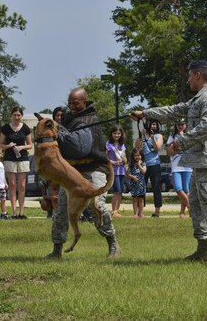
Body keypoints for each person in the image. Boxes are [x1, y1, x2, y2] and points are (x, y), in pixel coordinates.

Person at [130, 60, 207, 266]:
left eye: (189, 76)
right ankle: (203, 249)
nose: (187, 80)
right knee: (195, 205)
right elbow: (174, 111)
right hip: (198, 160)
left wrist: (181, 142)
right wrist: (146, 113)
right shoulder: (198, 99)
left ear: (197, 75)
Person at [45, 87, 120, 259]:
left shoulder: (90, 119)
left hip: (94, 168)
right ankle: (56, 250)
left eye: (76, 103)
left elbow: (80, 148)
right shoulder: (66, 120)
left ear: (84, 102)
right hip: (73, 173)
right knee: (62, 209)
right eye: (70, 103)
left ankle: (112, 243)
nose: (72, 106)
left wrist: (63, 134)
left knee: (97, 207)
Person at [0, 106, 32, 219]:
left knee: (22, 186)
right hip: (9, 158)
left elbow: (30, 145)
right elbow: (0, 145)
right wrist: (8, 146)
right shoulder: (5, 128)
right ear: (11, 116)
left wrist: (22, 147)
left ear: (21, 116)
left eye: (19, 115)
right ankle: (13, 212)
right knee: (12, 185)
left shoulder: (25, 128)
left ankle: (21, 212)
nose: (17, 117)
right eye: (15, 115)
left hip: (22, 158)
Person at [135, 119, 163, 217]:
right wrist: (140, 135)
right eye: (150, 124)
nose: (152, 126)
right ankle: (140, 211)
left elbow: (157, 148)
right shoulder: (142, 136)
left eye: (154, 124)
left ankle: (157, 211)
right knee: (141, 187)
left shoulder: (158, 136)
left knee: (156, 188)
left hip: (155, 164)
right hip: (144, 165)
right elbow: (137, 147)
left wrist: (151, 137)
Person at [166, 118, 192, 218]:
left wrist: (181, 141)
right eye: (178, 124)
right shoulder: (172, 136)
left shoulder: (189, 136)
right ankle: (191, 207)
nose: (180, 126)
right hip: (176, 166)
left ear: (186, 125)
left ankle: (182, 212)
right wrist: (176, 149)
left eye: (182, 124)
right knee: (177, 188)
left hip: (187, 166)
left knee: (186, 190)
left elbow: (190, 149)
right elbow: (169, 152)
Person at [106, 124, 127, 218]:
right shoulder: (108, 144)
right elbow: (105, 158)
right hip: (114, 171)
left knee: (120, 191)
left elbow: (125, 156)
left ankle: (117, 211)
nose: (117, 135)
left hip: (122, 170)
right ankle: (114, 211)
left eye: (119, 133)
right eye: (115, 133)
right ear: (111, 134)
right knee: (116, 190)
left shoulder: (122, 145)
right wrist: (113, 162)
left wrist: (125, 160)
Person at [128, 148, 147, 218]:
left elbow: (143, 171)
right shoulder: (131, 164)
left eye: (139, 155)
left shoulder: (143, 163)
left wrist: (139, 165)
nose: (137, 157)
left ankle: (141, 213)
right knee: (135, 199)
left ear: (141, 156)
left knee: (141, 200)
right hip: (134, 185)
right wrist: (132, 177)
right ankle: (135, 213)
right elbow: (127, 173)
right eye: (135, 155)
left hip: (141, 185)